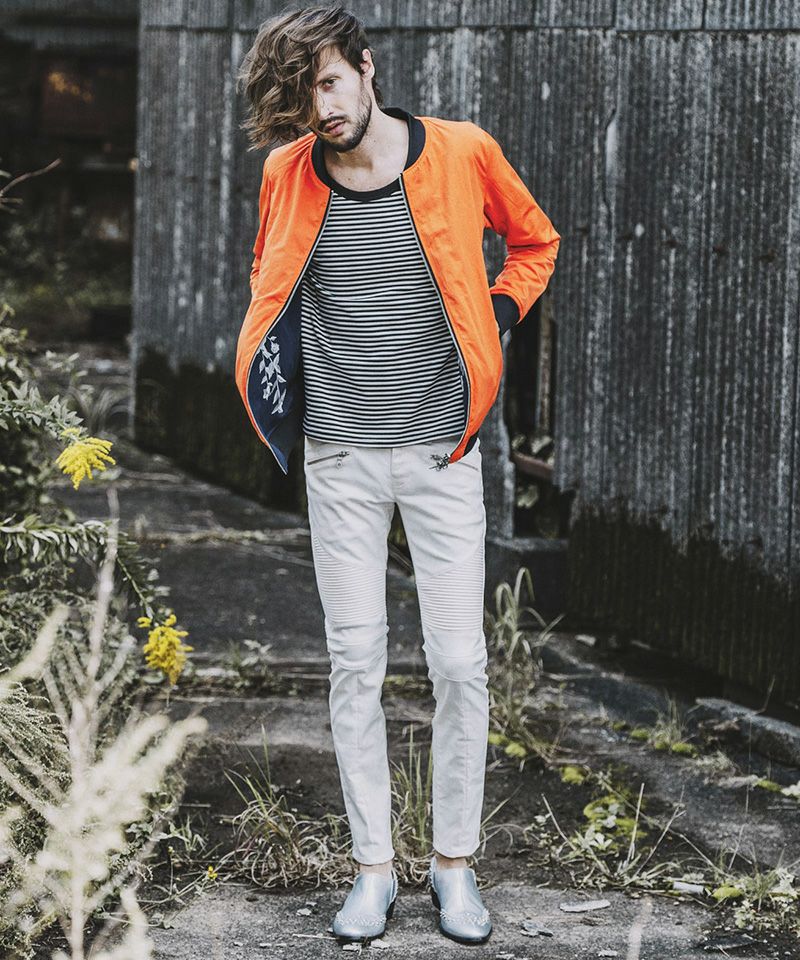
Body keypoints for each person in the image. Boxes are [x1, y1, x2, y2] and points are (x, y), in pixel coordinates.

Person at [234, 2, 560, 946]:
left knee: (459, 663)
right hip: (338, 457)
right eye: (303, 99)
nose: (323, 110)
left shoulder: (461, 151)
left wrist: (498, 313)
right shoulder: (286, 172)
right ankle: (372, 870)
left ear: (367, 66)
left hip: (440, 452)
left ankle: (454, 867)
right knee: (356, 663)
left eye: (331, 84)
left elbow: (535, 241)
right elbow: (271, 277)